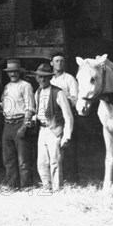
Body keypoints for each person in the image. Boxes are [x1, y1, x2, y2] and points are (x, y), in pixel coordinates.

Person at [34, 63, 74, 192]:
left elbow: (68, 117)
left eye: (45, 77)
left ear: (50, 78)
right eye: (40, 77)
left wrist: (67, 136)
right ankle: (47, 186)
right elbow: (39, 113)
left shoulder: (59, 93)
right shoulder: (38, 92)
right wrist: (33, 119)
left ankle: (57, 190)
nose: (42, 80)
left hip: (55, 130)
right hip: (42, 129)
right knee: (41, 162)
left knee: (55, 162)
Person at [0, 59, 35, 190]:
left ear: (19, 72)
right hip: (7, 123)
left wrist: (24, 126)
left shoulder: (26, 86)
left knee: (23, 159)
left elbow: (30, 108)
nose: (12, 74)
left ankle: (26, 186)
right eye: (10, 72)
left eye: (15, 71)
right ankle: (12, 185)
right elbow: (4, 103)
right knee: (8, 158)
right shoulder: (7, 86)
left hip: (20, 123)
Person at [50, 52, 80, 182]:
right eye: (56, 61)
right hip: (53, 118)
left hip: (66, 115)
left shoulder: (69, 79)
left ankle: (72, 179)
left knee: (69, 148)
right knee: (54, 148)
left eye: (62, 61)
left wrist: (61, 100)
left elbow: (75, 98)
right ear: (51, 63)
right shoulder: (50, 80)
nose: (59, 63)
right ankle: (57, 178)